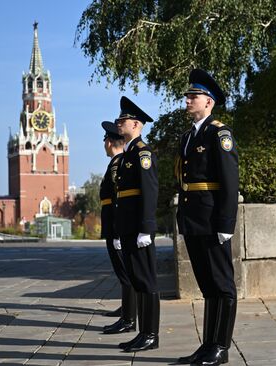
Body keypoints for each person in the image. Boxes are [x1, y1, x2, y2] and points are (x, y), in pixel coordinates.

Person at [175, 69, 239, 366]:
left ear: (209, 102)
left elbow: (229, 182)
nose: (188, 100)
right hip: (194, 219)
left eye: (194, 96)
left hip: (213, 220)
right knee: (207, 286)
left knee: (222, 285)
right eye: (188, 96)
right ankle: (208, 344)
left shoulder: (219, 134)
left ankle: (221, 347)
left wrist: (226, 224)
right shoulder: (189, 136)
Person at [114, 96, 160, 352]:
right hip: (128, 227)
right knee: (138, 281)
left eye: (122, 120)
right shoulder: (129, 154)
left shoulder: (143, 153)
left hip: (138, 229)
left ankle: (151, 334)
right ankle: (143, 333)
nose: (118, 123)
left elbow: (149, 192)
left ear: (136, 124)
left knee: (147, 282)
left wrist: (146, 228)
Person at [99, 121, 137, 335]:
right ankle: (127, 311)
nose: (103, 144)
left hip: (117, 227)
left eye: (105, 140)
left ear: (110, 142)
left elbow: (117, 202)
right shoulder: (116, 163)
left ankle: (129, 318)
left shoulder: (117, 164)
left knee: (125, 274)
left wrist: (116, 232)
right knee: (124, 273)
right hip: (114, 226)